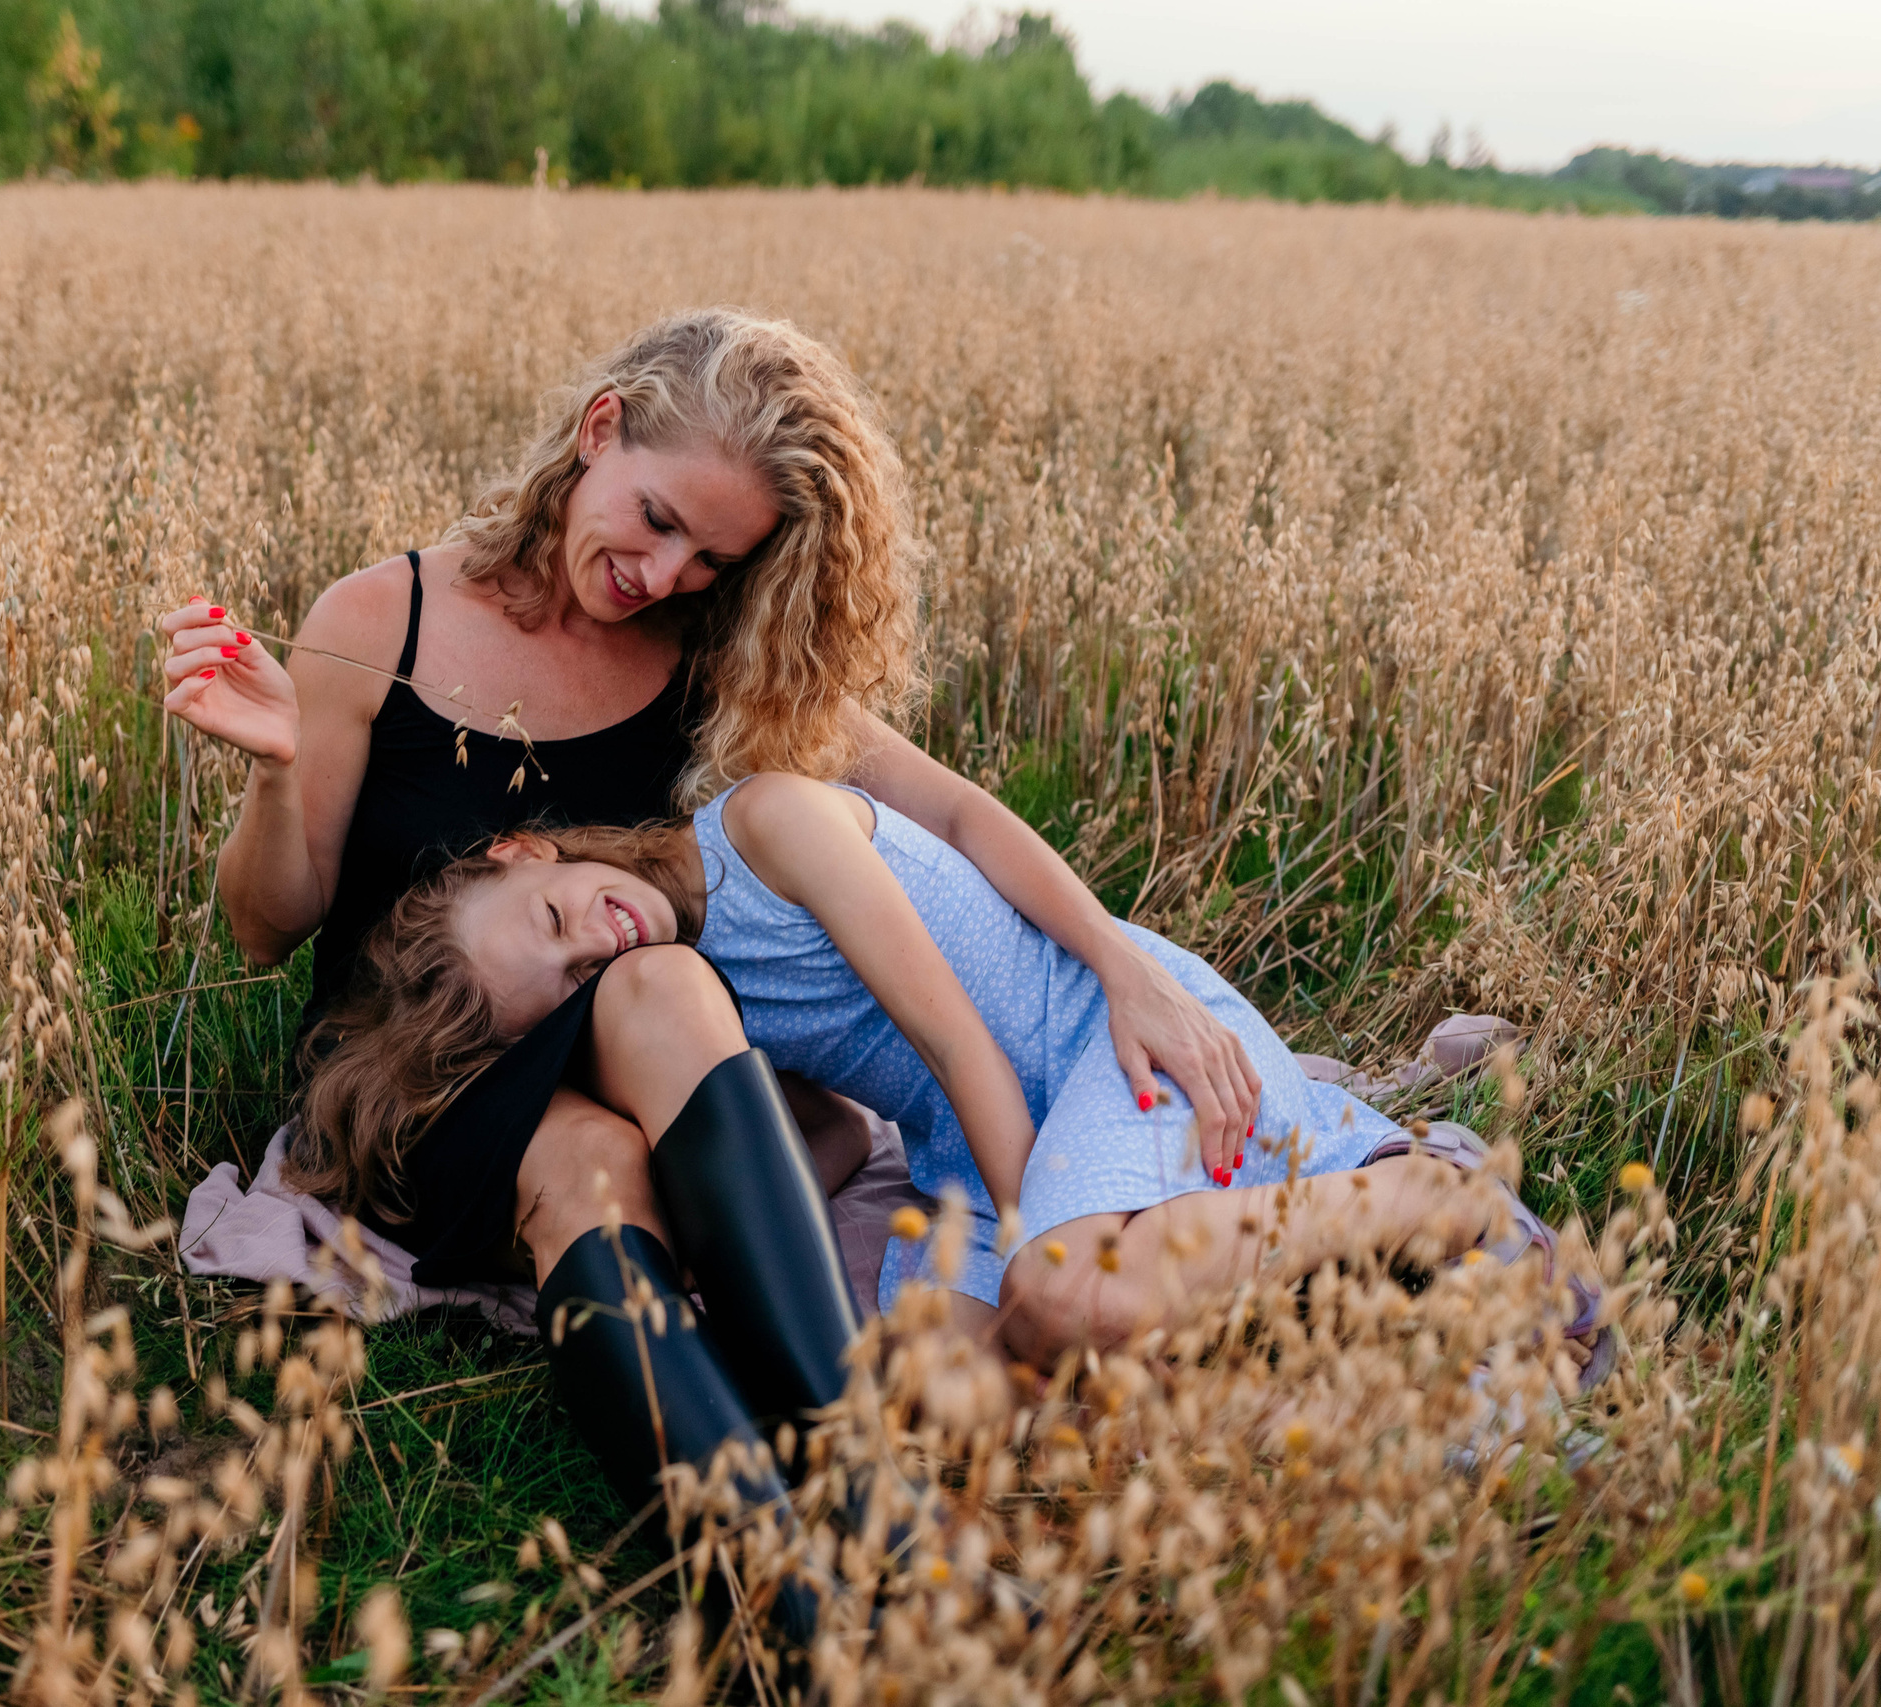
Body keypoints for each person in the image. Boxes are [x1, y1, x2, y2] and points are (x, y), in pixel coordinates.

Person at [155, 308, 1267, 1546]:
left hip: (609, 1066)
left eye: (709, 562)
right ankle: (836, 1542)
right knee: (651, 1017)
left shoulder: (692, 656)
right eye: (659, 520)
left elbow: (942, 804)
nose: (666, 574)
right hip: (405, 1071)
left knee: (640, 1029)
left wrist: (1120, 962)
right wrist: (272, 767)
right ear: (598, 432)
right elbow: (268, 933)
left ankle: (821, 1554)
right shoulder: (380, 622)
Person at [295, 772, 1619, 1384]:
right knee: (939, 1383)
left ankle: (1430, 1194)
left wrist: (1036, 1236)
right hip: (967, 1134)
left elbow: (959, 1044)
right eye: (572, 983)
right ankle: (1289, 1324)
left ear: (532, 848)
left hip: (1099, 1041)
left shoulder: (764, 822)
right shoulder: (689, 993)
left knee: (1064, 1296)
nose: (600, 941)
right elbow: (813, 1146)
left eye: (554, 918)